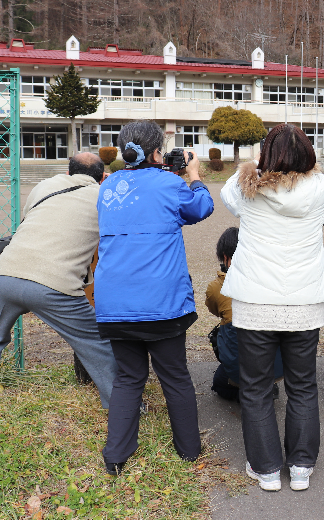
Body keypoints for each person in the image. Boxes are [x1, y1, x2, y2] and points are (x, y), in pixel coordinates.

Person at [220, 123, 324, 492]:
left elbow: (226, 192)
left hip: (255, 301)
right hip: (303, 301)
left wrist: (258, 162)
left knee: (255, 387)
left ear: (266, 154)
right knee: (303, 385)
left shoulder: (244, 189)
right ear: (308, 155)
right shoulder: (323, 189)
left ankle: (267, 469)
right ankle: (301, 467)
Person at [94, 120, 214, 475]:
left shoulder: (108, 186)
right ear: (157, 151)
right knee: (174, 375)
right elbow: (201, 208)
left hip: (114, 304)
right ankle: (189, 451)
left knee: (129, 378)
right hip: (162, 303)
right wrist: (193, 174)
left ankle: (115, 456)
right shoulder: (170, 184)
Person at [0, 153, 116, 415]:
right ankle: (120, 403)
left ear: (68, 173)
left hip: (6, 273)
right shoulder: (103, 197)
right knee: (94, 341)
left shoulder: (45, 186)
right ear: (101, 177)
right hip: (55, 284)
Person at [206, 227, 283, 402]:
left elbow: (214, 309)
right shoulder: (271, 279)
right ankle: (267, 387)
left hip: (241, 369)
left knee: (219, 383)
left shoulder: (217, 287)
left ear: (225, 257)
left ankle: (253, 394)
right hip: (278, 367)